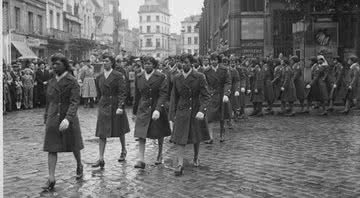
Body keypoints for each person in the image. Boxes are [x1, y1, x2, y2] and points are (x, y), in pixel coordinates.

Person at [42, 53, 84, 190]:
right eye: (53, 64)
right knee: (51, 147)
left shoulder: (72, 81)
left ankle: (79, 164)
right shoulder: (51, 80)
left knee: (74, 145)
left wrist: (68, 118)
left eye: (57, 64)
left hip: (68, 118)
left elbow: (75, 102)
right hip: (53, 117)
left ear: (65, 65)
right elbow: (49, 100)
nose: (54, 66)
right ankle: (51, 178)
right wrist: (46, 116)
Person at [169, 54, 211, 176]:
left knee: (195, 136)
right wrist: (172, 115)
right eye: (182, 63)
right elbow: (174, 97)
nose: (184, 65)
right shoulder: (177, 78)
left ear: (192, 63)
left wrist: (202, 110)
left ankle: (196, 156)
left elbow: (206, 95)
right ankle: (180, 164)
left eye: (187, 62)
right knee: (179, 138)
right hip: (182, 110)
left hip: (195, 110)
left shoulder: (199, 77)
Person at [92, 54, 130, 169]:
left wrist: (120, 106)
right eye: (103, 61)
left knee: (120, 129)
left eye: (107, 61)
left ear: (112, 63)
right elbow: (99, 93)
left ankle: (123, 150)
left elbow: (122, 92)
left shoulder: (118, 75)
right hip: (104, 106)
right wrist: (101, 103)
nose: (105, 63)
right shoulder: (99, 77)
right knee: (102, 132)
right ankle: (101, 158)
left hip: (115, 105)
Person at [133, 56, 171, 169]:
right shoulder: (139, 77)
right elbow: (137, 95)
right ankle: (141, 159)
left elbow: (163, 94)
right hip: (143, 107)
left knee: (159, 132)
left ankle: (159, 154)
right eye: (145, 63)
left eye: (149, 63)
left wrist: (158, 109)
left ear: (154, 65)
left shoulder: (161, 77)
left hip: (156, 106)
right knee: (141, 133)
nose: (147, 65)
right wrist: (134, 112)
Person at [203, 53, 231, 143]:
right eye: (211, 60)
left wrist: (226, 94)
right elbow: (205, 84)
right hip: (211, 95)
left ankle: (222, 134)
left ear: (218, 60)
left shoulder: (224, 69)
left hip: (222, 95)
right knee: (210, 116)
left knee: (222, 116)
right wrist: (207, 93)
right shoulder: (206, 71)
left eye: (215, 59)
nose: (213, 61)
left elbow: (228, 82)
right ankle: (210, 137)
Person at [227, 55, 241, 125]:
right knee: (228, 105)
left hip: (234, 89)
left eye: (233, 61)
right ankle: (229, 119)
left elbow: (238, 80)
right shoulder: (227, 69)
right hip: (227, 89)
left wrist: (237, 89)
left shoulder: (237, 70)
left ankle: (236, 115)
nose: (232, 63)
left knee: (235, 103)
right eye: (231, 61)